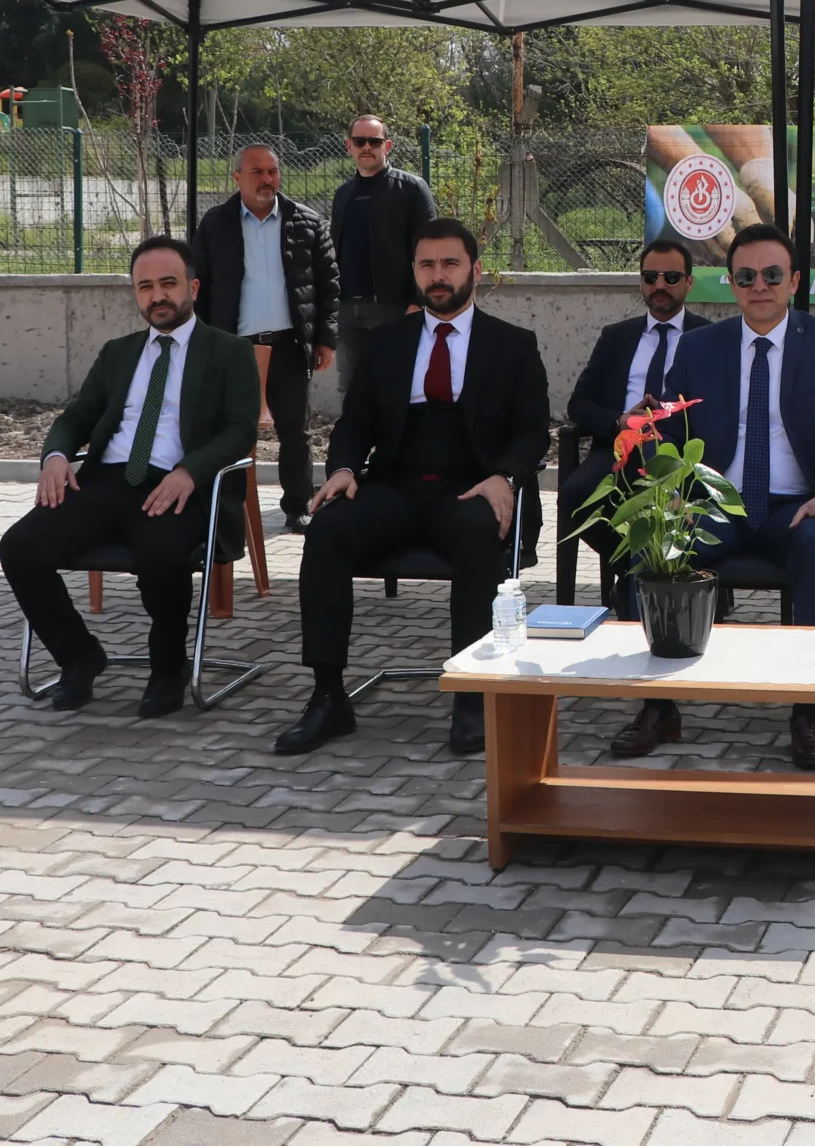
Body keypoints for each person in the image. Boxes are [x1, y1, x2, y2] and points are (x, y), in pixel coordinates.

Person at [280, 219, 550, 758]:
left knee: (479, 533)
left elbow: (533, 430)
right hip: (397, 485)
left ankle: (472, 697)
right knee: (327, 531)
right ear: (414, 272)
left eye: (450, 263)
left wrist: (506, 477)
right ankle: (328, 696)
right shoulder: (388, 342)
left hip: (472, 487)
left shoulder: (513, 345)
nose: (438, 275)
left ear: (475, 270)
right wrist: (344, 468)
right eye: (427, 265)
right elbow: (355, 421)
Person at [616, 225, 815, 768]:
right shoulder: (698, 347)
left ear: (795, 282)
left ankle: (810, 710)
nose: (760, 286)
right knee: (650, 549)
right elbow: (668, 430)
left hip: (798, 504)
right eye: (747, 276)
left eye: (773, 275)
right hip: (714, 504)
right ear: (731, 284)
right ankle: (658, 706)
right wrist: (670, 492)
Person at [0, 236, 261, 717]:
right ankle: (79, 658)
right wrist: (55, 455)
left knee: (161, 553)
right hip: (106, 480)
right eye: (145, 287)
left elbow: (240, 429)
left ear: (193, 288)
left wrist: (190, 471)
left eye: (168, 284)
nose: (157, 296)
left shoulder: (229, 351)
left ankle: (168, 669)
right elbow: (76, 417)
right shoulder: (118, 353)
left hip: (179, 486)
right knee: (19, 547)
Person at [191, 144, 339, 533]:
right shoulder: (215, 225)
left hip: (288, 345)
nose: (266, 179)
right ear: (237, 177)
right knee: (230, 432)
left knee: (296, 432)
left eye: (272, 171)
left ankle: (297, 506)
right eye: (256, 172)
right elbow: (198, 287)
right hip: (234, 348)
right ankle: (228, 509)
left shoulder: (306, 222)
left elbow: (328, 284)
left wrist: (325, 339)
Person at [559, 237, 707, 614]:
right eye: (650, 277)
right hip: (621, 449)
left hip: (676, 454)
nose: (660, 285)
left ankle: (642, 584)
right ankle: (636, 572)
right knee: (575, 494)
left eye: (671, 277)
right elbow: (579, 404)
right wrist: (620, 420)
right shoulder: (617, 337)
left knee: (677, 501)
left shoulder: (708, 338)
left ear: (689, 282)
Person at [328, 115, 437, 398]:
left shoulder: (411, 189)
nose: (367, 147)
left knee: (396, 387)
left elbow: (430, 250)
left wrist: (417, 301)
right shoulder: (343, 194)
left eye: (374, 141)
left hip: (394, 309)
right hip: (347, 311)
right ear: (348, 146)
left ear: (387, 146)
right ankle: (355, 430)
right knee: (351, 390)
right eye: (359, 141)